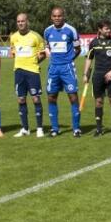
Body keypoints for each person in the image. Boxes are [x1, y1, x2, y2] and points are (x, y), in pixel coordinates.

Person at [43, 7, 82, 137]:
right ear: (51, 17)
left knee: (73, 96)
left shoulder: (71, 30)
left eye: (59, 16)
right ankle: (55, 128)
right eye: (54, 16)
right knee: (51, 97)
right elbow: (47, 46)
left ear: (63, 16)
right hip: (53, 68)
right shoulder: (47, 31)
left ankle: (76, 128)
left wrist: (70, 60)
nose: (57, 18)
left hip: (67, 68)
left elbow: (78, 49)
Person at [83, 20, 111, 137]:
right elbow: (89, 59)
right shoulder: (94, 43)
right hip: (98, 76)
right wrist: (85, 74)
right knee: (98, 101)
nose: (109, 30)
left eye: (109, 28)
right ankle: (99, 129)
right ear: (100, 29)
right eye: (106, 28)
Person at [9, 13, 47, 137]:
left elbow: (43, 54)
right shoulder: (13, 37)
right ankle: (25, 129)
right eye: (18, 21)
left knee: (36, 99)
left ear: (27, 22)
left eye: (23, 21)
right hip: (18, 72)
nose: (20, 23)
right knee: (21, 99)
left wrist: (35, 62)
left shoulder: (36, 36)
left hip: (32, 72)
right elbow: (13, 52)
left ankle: (40, 128)